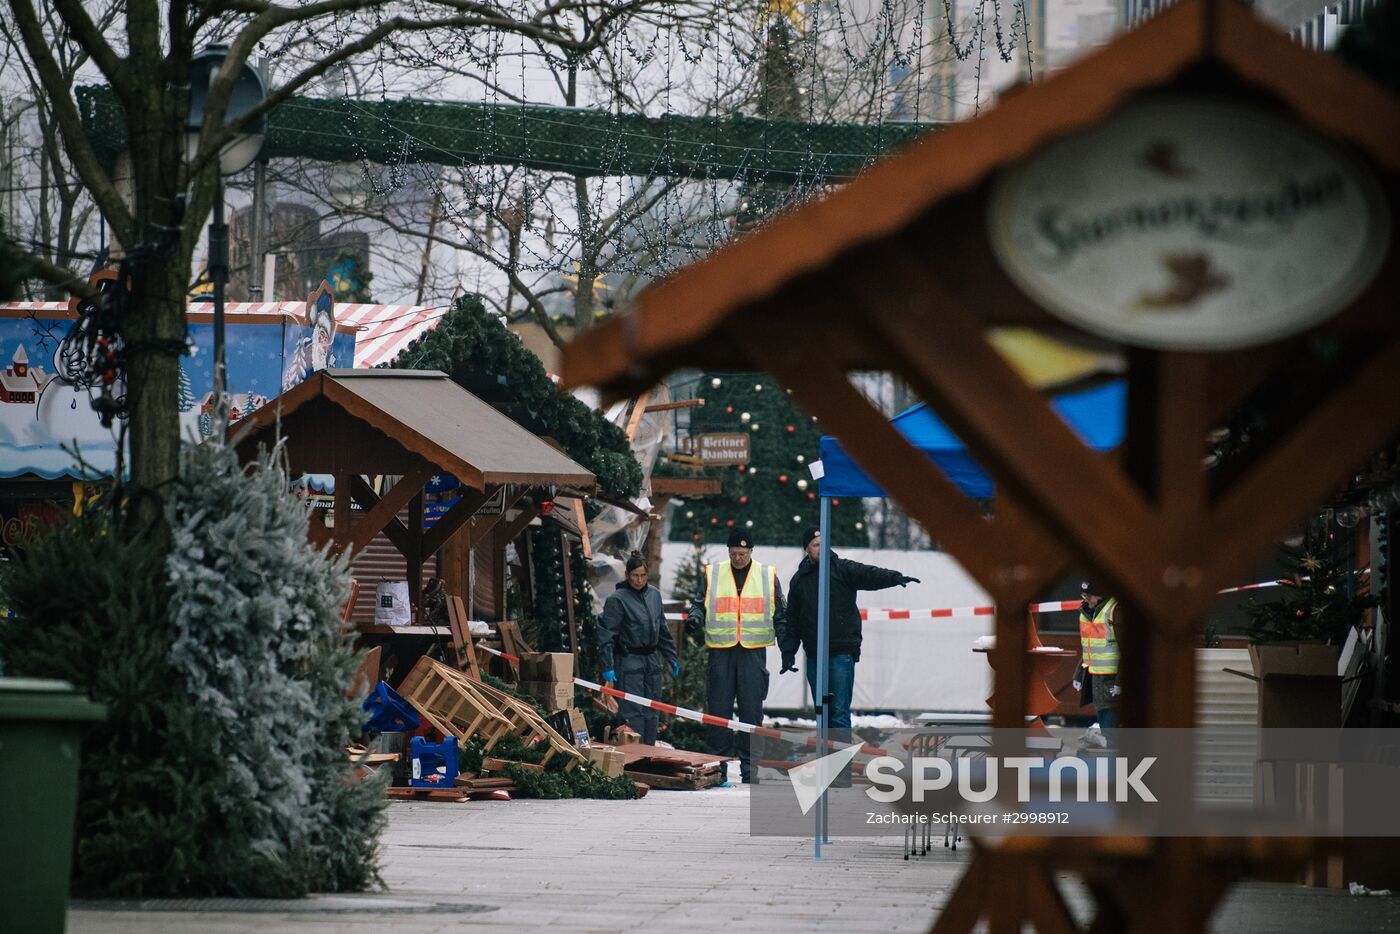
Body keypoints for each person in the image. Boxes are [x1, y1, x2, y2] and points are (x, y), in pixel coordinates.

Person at [781, 527, 918, 782]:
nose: (820, 548)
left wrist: (895, 577)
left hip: (840, 653)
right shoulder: (799, 580)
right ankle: (827, 769)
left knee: (839, 713)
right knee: (822, 713)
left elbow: (868, 574)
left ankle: (841, 774)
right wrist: (788, 652)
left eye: (823, 543)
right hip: (814, 656)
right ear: (807, 549)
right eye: (814, 544)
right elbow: (792, 621)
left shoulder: (841, 569)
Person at [686, 529, 787, 783]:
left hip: (752, 652)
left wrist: (787, 645)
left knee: (751, 713)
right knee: (719, 710)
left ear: (751, 551)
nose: (738, 558)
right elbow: (700, 602)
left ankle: (749, 770)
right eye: (734, 553)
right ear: (728, 551)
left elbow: (780, 614)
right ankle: (718, 769)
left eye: (743, 553)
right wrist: (695, 618)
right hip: (722, 652)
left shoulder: (767, 575)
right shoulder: (714, 573)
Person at [598, 552, 679, 745]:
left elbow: (662, 630)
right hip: (629, 660)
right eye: (635, 575)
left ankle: (648, 753)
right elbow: (606, 635)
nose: (639, 580)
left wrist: (671, 657)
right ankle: (633, 757)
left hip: (651, 659)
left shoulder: (654, 595)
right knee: (632, 711)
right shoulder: (617, 600)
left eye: (643, 575)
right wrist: (607, 666)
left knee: (652, 709)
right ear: (627, 575)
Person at [1073, 580, 1120, 741]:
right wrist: (1079, 673)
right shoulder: (1086, 612)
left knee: (1110, 716)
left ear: (1100, 595)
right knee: (1103, 713)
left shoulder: (1114, 610)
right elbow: (1089, 648)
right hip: (1096, 676)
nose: (1085, 599)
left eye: (1088, 596)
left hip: (1111, 677)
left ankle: (1115, 755)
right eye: (1083, 595)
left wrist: (1121, 681)